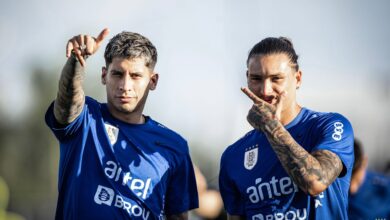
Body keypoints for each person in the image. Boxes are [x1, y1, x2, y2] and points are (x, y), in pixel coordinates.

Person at [45, 28, 198, 219]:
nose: (125, 86)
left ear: (153, 81)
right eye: (117, 74)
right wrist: (76, 61)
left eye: (135, 76)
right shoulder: (85, 119)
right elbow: (67, 100)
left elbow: (178, 216)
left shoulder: (174, 146)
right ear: (104, 76)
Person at [219, 37, 354, 219]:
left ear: (297, 79)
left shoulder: (330, 126)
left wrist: (270, 126)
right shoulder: (233, 155)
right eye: (256, 78)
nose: (265, 90)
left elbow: (314, 182)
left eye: (276, 79)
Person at [348, 139, 390, 219]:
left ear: (364, 161)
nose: (352, 188)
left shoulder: (385, 189)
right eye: (346, 180)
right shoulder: (324, 191)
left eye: (355, 177)